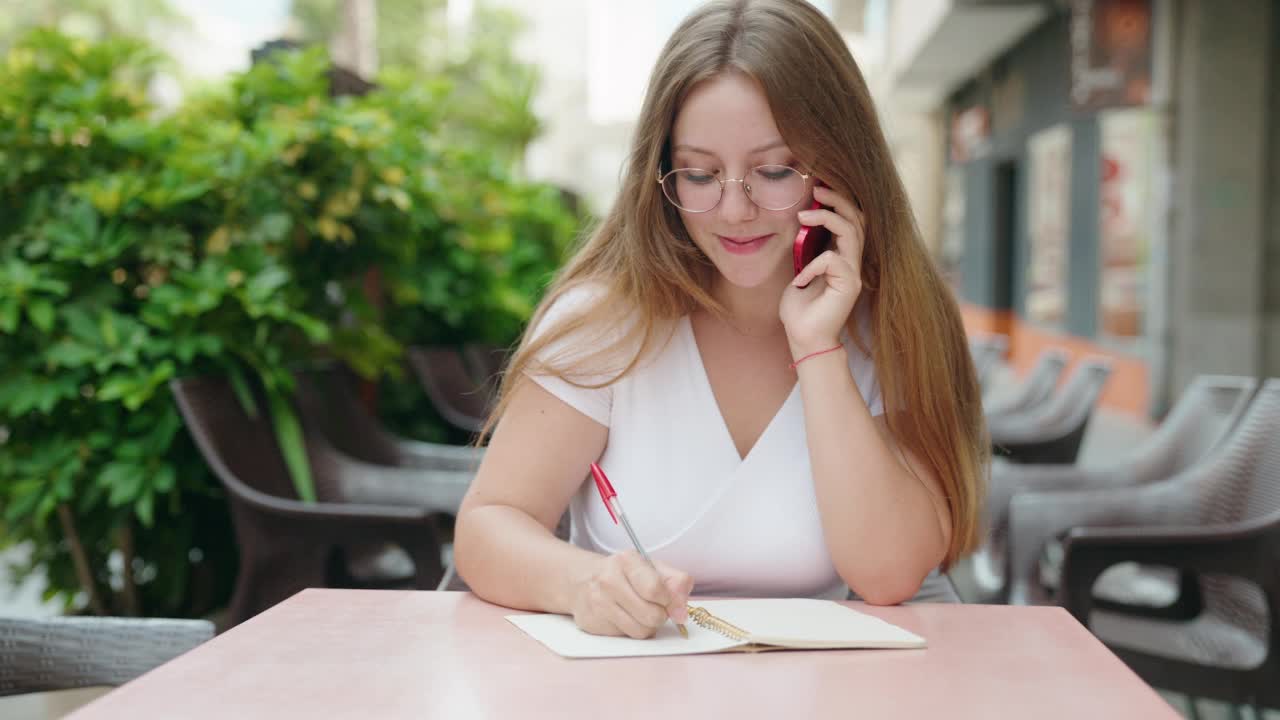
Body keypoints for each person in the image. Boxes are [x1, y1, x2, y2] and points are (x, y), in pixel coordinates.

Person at [454, 0, 988, 639]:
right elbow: (489, 525)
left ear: (843, 169)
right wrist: (581, 583)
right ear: (661, 175)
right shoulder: (605, 322)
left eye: (774, 170)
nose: (735, 210)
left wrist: (818, 348)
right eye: (701, 174)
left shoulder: (895, 327)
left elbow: (888, 575)